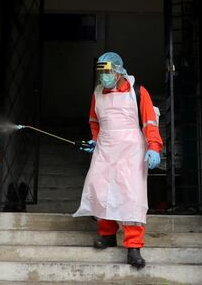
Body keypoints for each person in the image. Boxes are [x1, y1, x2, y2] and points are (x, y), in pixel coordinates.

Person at [73, 52, 163, 269]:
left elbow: (150, 122)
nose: (105, 77)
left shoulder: (138, 91)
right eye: (102, 72)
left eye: (108, 72)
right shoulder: (98, 93)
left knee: (131, 195)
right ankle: (106, 234)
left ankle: (133, 246)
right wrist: (94, 140)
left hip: (131, 150)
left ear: (120, 71)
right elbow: (94, 120)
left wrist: (153, 147)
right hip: (105, 149)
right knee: (101, 190)